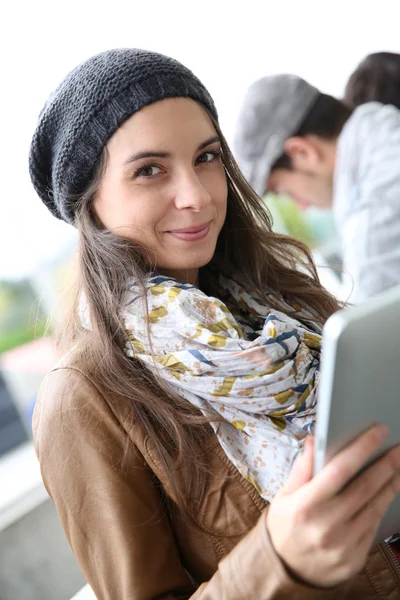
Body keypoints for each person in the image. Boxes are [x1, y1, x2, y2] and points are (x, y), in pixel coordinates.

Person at [29, 49, 400, 600]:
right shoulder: (83, 398)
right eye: (149, 170)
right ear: (91, 203)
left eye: (206, 158)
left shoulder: (283, 300)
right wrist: (279, 561)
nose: (198, 195)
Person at [234, 74, 400, 303]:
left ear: (303, 152)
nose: (301, 206)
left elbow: (371, 334)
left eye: (283, 191)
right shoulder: (387, 127)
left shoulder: (375, 219)